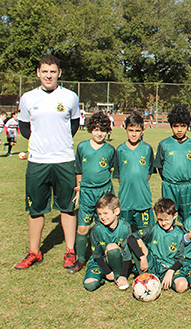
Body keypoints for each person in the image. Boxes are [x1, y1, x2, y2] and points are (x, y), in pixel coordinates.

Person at [15, 55, 80, 270]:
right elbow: (24, 127)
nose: (48, 75)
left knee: (68, 207)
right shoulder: (27, 98)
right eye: (45, 71)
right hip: (38, 161)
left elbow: (74, 124)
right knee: (36, 209)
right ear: (38, 73)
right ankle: (34, 252)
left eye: (52, 71)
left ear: (59, 73)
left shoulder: (70, 96)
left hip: (63, 160)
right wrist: (40, 143)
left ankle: (70, 250)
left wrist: (58, 144)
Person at [69, 111, 116, 274]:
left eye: (102, 129)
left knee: (103, 227)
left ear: (107, 130)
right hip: (87, 193)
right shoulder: (82, 147)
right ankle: (81, 259)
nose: (99, 133)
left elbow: (111, 170)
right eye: (96, 129)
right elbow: (79, 170)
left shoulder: (110, 149)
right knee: (83, 228)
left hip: (104, 193)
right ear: (90, 129)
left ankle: (103, 258)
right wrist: (79, 190)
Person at [127, 198, 188, 293]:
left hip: (169, 267)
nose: (163, 223)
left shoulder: (179, 234)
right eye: (160, 219)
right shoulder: (153, 228)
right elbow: (131, 238)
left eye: (167, 220)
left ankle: (158, 280)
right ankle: (149, 277)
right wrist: (142, 257)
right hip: (152, 264)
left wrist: (170, 271)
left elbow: (180, 259)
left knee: (182, 286)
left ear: (175, 215)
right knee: (138, 240)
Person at [154, 105, 191, 221]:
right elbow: (159, 166)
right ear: (171, 126)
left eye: (183, 126)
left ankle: (187, 238)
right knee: (167, 216)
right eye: (176, 126)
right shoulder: (164, 144)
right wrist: (168, 180)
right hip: (169, 186)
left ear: (188, 126)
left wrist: (189, 183)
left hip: (187, 187)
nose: (179, 130)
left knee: (188, 218)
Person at [113, 112, 155, 231]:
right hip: (125, 200)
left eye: (137, 130)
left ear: (143, 130)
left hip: (143, 200)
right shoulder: (120, 150)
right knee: (125, 233)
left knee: (146, 233)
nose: (134, 134)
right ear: (125, 129)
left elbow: (149, 173)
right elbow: (119, 176)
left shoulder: (147, 149)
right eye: (131, 130)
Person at [82, 193, 132, 291]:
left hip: (118, 260)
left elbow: (127, 255)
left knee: (112, 247)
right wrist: (107, 272)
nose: (102, 217)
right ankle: (103, 277)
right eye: (99, 214)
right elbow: (96, 255)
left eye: (105, 213)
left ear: (116, 211)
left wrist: (123, 274)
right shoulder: (96, 229)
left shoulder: (125, 227)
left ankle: (118, 276)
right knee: (89, 285)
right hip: (101, 262)